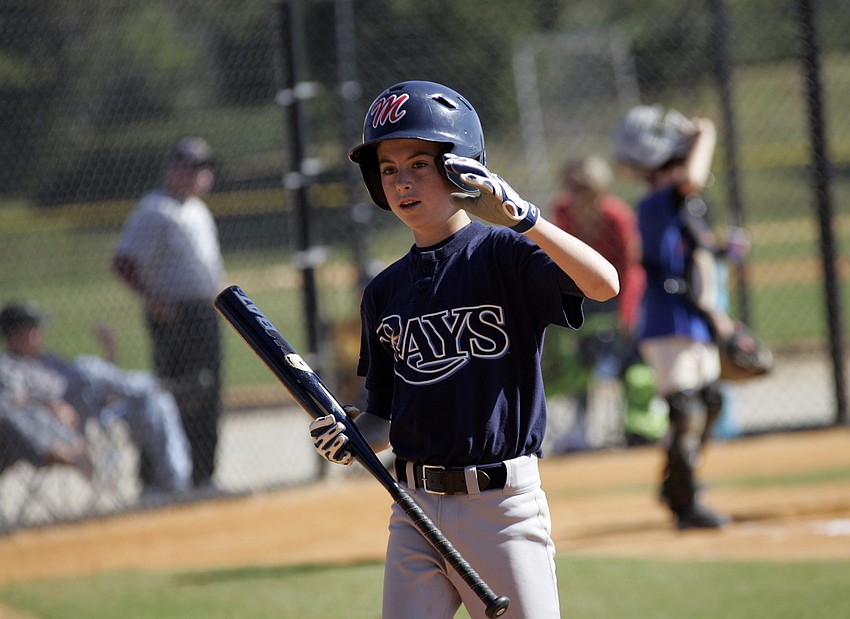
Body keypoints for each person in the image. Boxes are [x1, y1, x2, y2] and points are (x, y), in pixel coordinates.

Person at [307, 81, 619, 618]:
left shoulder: (505, 255)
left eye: (419, 164)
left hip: (500, 508)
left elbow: (603, 284)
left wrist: (525, 218)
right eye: (388, 170)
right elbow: (383, 416)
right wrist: (351, 436)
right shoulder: (383, 293)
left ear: (459, 168)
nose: (402, 182)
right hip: (413, 509)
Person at [611, 104, 747, 530]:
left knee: (709, 402)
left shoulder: (675, 205)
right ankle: (685, 504)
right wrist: (704, 135)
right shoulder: (657, 202)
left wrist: (717, 313)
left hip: (689, 319)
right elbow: (691, 179)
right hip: (667, 323)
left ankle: (677, 483)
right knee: (687, 409)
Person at [112, 137, 225, 490]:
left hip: (205, 313)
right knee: (171, 398)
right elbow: (123, 263)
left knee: (208, 395)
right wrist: (154, 302)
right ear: (174, 169)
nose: (200, 175)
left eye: (204, 169)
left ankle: (203, 475)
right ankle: (157, 479)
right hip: (173, 317)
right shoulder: (154, 209)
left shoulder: (199, 210)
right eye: (192, 168)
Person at [0, 301, 192, 495]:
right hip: (64, 425)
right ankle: (160, 385)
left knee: (157, 404)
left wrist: (110, 349)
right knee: (86, 369)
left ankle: (177, 485)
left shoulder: (49, 359)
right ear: (14, 336)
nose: (39, 334)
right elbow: (13, 402)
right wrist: (53, 405)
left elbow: (104, 386)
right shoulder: (9, 367)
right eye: (33, 329)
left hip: (95, 409)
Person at [548, 156, 666, 449]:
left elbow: (630, 267)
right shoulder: (563, 212)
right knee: (577, 361)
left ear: (600, 190)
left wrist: (627, 313)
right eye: (572, 188)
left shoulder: (616, 216)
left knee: (631, 362)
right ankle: (579, 427)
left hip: (618, 295)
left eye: (584, 189)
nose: (576, 196)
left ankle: (638, 426)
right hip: (581, 297)